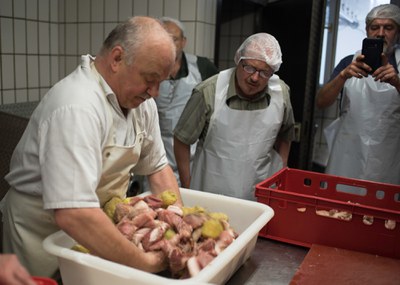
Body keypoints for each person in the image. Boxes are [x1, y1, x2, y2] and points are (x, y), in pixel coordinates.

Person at [1, 16, 182, 278]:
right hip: (41, 234)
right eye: (150, 79)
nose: (155, 92)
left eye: (162, 82)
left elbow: (158, 168)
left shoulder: (142, 104)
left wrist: (177, 228)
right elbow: (73, 213)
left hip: (97, 225)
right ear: (117, 58)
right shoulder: (76, 106)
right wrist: (147, 264)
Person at [173, 33, 295, 200]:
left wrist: (281, 174)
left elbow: (286, 135)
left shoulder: (281, 94)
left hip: (259, 193)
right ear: (238, 60)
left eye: (264, 72)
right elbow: (182, 141)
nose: (254, 77)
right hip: (211, 192)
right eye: (249, 68)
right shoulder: (208, 92)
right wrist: (188, 187)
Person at [316, 4, 400, 185]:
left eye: (388, 27)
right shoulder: (349, 62)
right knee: (341, 208)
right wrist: (343, 75)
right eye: (375, 27)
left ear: (397, 32)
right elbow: (321, 102)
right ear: (367, 30)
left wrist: (396, 82)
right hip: (348, 154)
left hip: (389, 158)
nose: (380, 33)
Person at [150, 17, 218, 188]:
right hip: (155, 154)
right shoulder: (147, 67)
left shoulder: (202, 67)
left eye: (174, 38)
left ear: (184, 42)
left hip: (192, 156)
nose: (170, 44)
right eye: (164, 38)